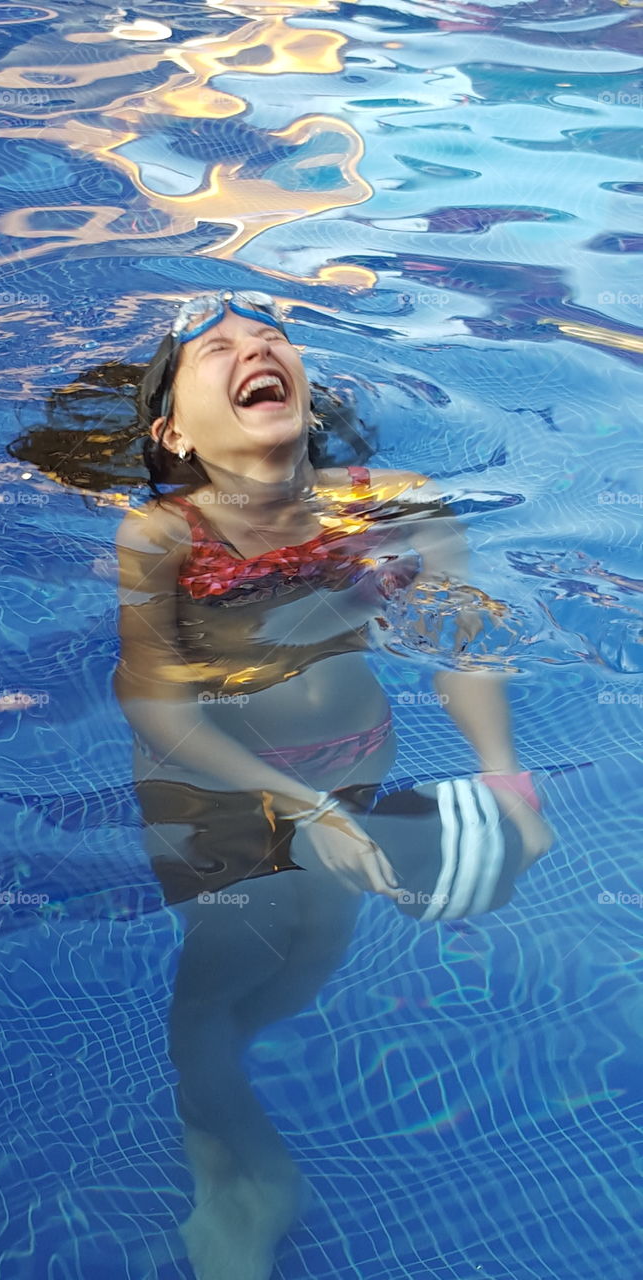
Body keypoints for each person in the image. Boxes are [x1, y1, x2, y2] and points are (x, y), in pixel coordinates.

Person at [113, 290, 552, 1280]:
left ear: (301, 395)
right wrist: (296, 807)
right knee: (213, 983)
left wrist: (503, 777)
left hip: (351, 757)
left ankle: (232, 1083)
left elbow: (459, 642)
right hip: (208, 787)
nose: (254, 347)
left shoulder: (388, 499)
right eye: (216, 347)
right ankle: (241, 1167)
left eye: (267, 337)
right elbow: (156, 705)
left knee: (309, 951)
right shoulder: (162, 536)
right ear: (174, 429)